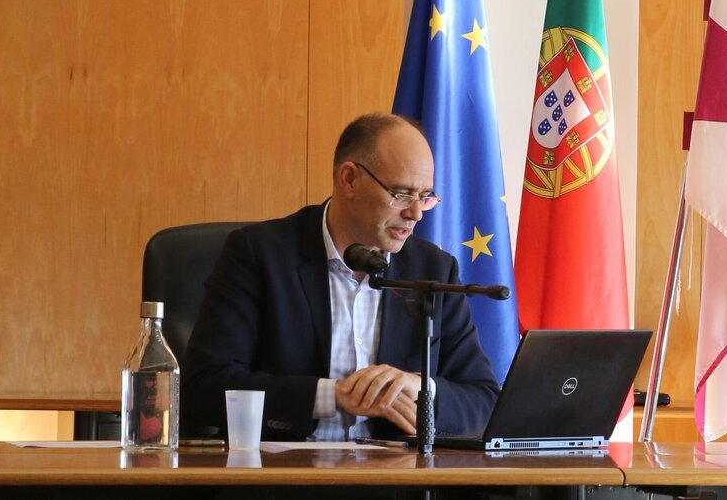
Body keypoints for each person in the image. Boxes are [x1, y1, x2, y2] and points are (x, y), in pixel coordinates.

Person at [182, 112, 500, 441]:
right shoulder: (259, 255)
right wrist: (330, 396)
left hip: (395, 471)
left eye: (425, 196)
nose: (415, 213)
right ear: (349, 179)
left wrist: (423, 389)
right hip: (284, 469)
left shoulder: (433, 270)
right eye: (401, 194)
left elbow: (485, 401)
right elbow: (203, 386)